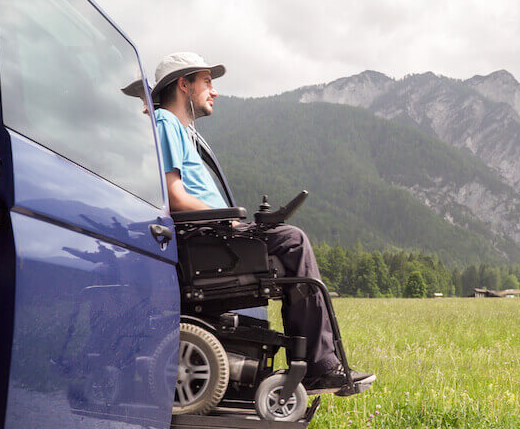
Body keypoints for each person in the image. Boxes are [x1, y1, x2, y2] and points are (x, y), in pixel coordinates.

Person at [150, 52, 374, 394]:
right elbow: (175, 196)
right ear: (183, 84)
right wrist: (232, 222)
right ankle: (320, 366)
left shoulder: (181, 130)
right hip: (205, 241)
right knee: (293, 242)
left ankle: (317, 363)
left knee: (290, 248)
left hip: (213, 235)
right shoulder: (166, 122)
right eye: (207, 82)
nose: (215, 91)